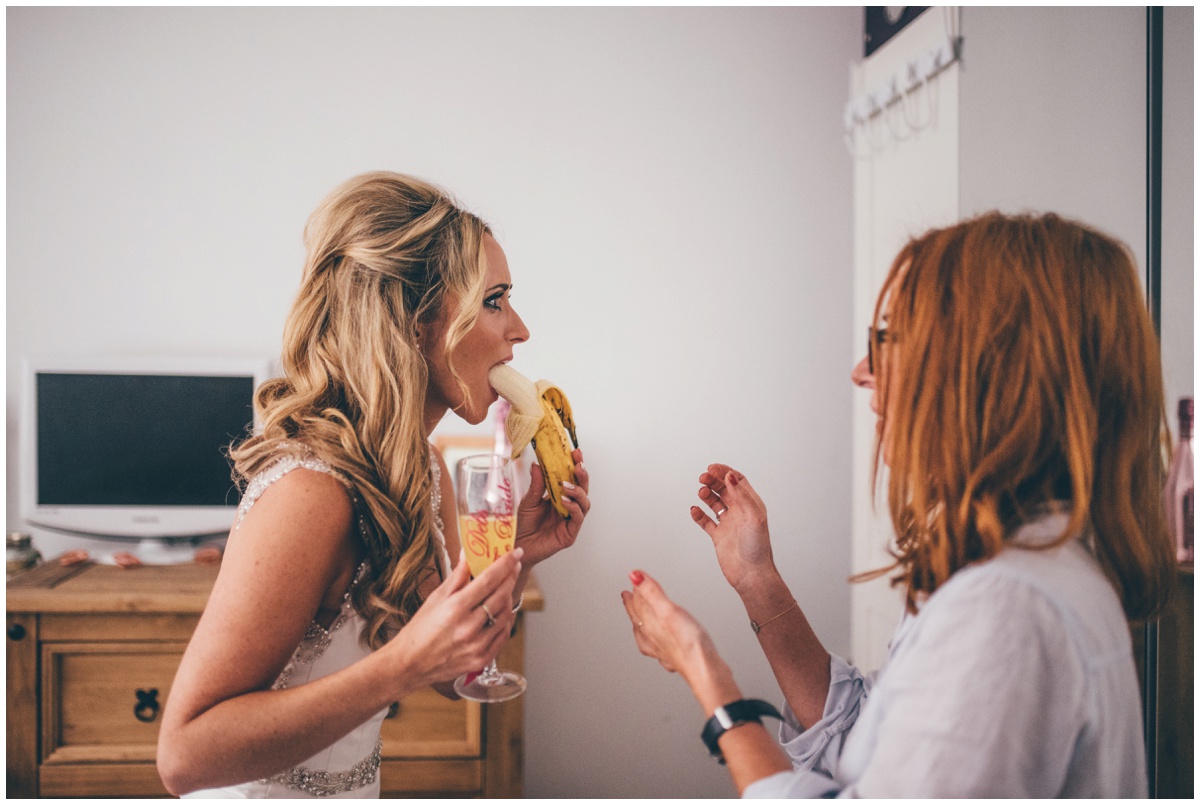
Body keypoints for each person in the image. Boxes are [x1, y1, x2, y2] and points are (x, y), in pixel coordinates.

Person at [621, 211, 1175, 797]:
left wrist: (710, 680)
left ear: (987, 366)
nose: (863, 371)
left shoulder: (1009, 609)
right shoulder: (1025, 567)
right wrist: (756, 579)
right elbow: (865, 737)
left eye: (889, 339)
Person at [157, 171, 590, 798]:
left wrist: (518, 557)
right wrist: (401, 666)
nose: (518, 329)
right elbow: (184, 757)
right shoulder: (312, 493)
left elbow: (454, 673)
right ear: (412, 323)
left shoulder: (421, 469)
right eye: (494, 300)